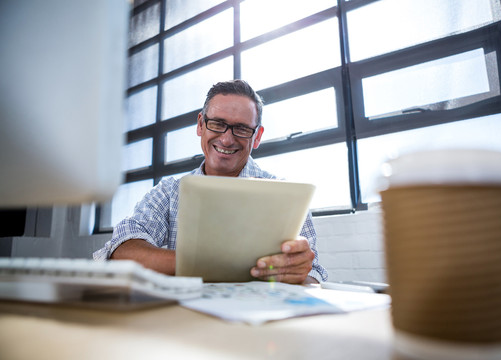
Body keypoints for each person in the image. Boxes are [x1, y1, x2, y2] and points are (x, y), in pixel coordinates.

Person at [94, 79, 327, 284]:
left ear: (257, 136)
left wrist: (299, 271)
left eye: (242, 129)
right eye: (217, 123)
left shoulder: (286, 197)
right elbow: (122, 248)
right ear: (200, 124)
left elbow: (313, 274)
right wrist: (217, 266)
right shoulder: (169, 192)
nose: (226, 139)